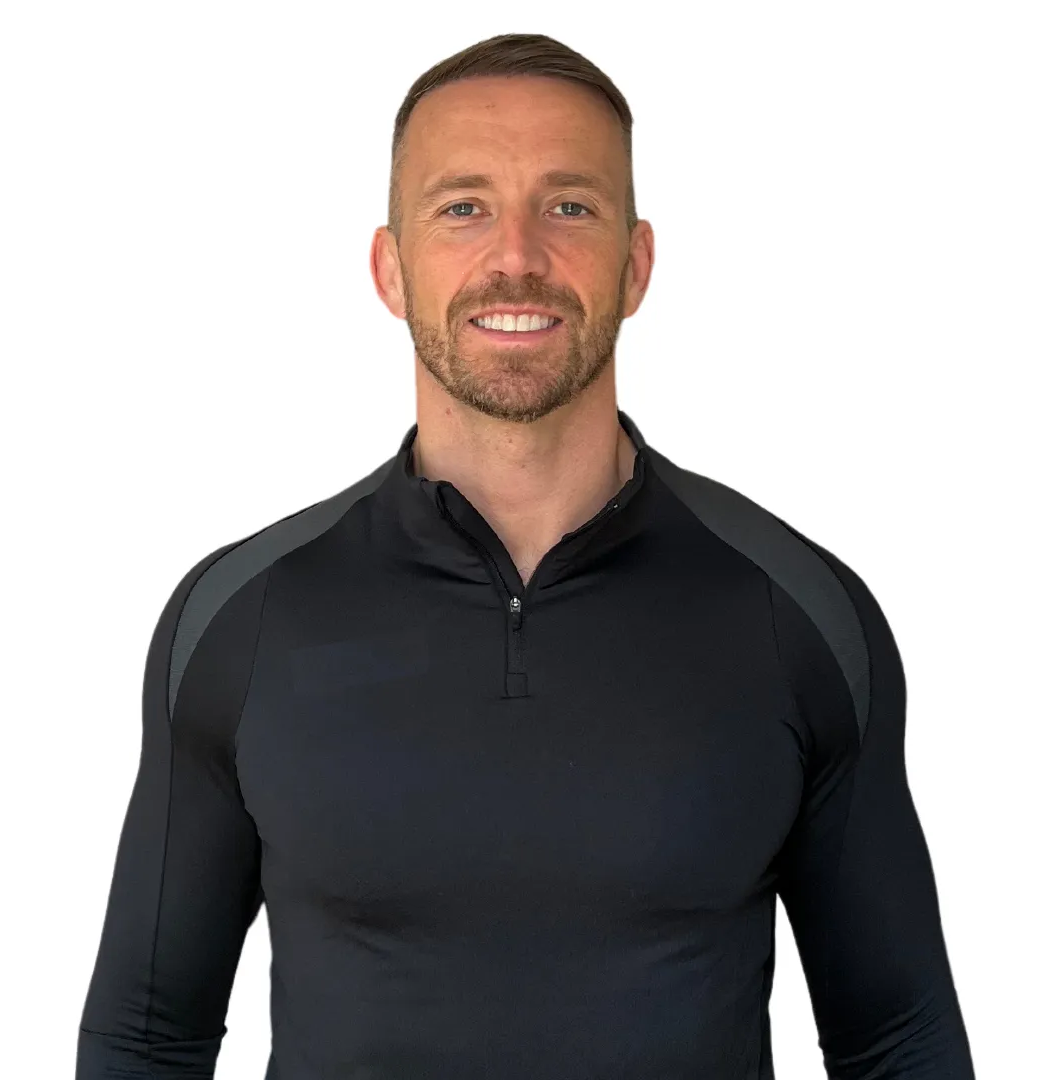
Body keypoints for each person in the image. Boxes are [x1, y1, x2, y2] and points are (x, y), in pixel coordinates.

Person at [76, 32, 975, 1080]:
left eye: (570, 207)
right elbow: (147, 1036)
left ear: (637, 265)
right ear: (390, 268)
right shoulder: (243, 618)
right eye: (463, 207)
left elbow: (898, 1040)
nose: (516, 256)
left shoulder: (800, 614)